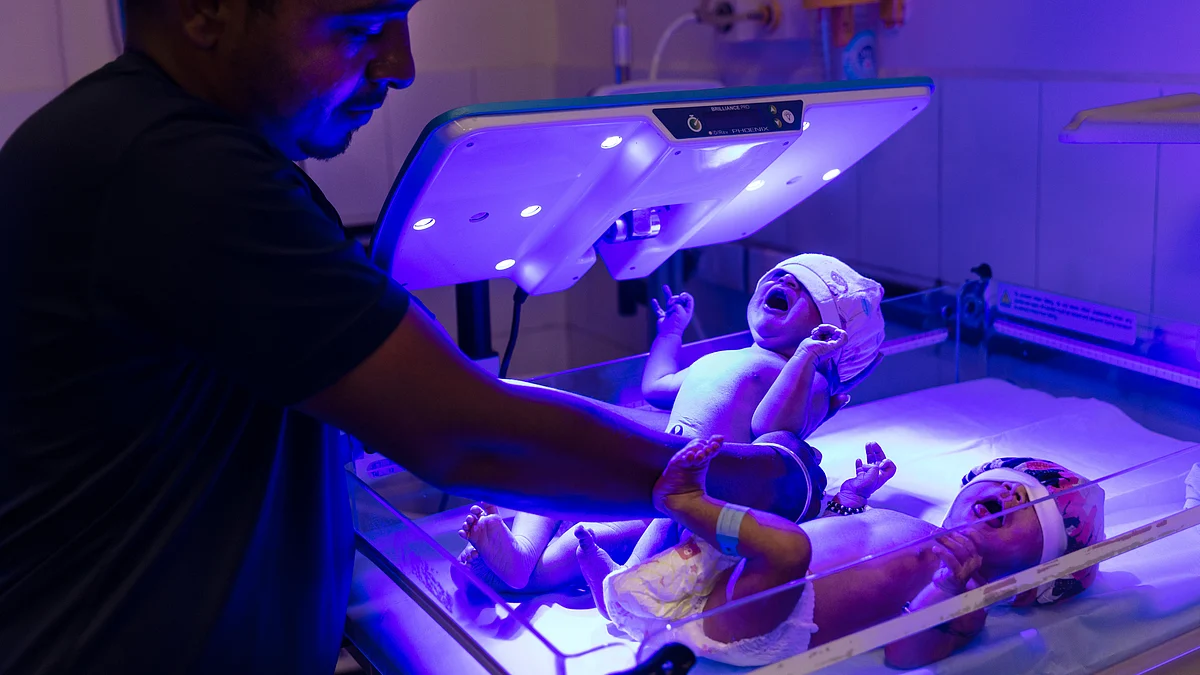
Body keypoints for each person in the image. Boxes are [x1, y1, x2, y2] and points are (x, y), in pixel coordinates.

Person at [0, 2, 846, 674]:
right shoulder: (173, 172)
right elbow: (466, 432)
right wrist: (763, 478)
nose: (400, 64)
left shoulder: (150, 143)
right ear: (205, 9)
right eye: (361, 25)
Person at [458, 254, 886, 593]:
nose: (785, 280)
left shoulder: (808, 379)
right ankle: (519, 553)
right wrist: (670, 334)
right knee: (557, 471)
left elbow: (773, 432)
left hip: (690, 492)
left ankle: (554, 575)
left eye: (807, 290)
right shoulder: (729, 358)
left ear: (834, 339)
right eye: (780, 275)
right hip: (650, 462)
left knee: (593, 535)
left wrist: (807, 357)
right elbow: (657, 386)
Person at [582, 443, 1105, 669]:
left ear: (1032, 577)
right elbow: (839, 530)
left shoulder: (968, 592)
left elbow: (905, 655)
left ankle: (684, 499)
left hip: (772, 621)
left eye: (1035, 507)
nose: (1013, 493)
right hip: (741, 583)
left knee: (786, 544)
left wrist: (945, 591)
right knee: (773, 530)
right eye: (1008, 483)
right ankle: (625, 590)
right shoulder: (912, 524)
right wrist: (852, 497)